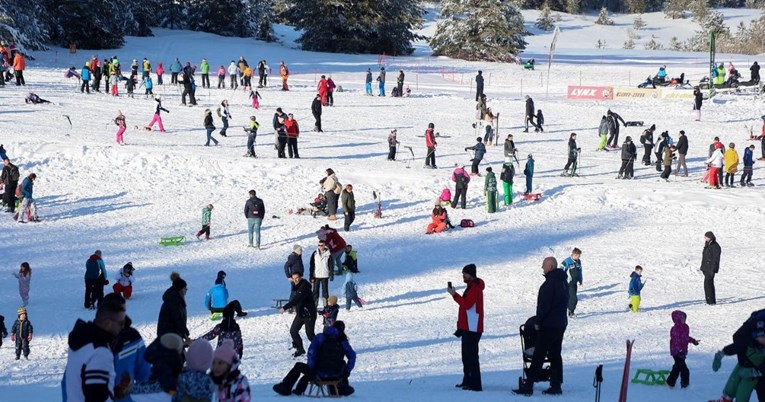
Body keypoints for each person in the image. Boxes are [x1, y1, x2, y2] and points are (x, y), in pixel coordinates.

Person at [514, 257, 568, 396]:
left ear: (550, 266)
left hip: (549, 324)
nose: (542, 268)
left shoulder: (550, 283)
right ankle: (556, 384)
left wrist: (538, 322)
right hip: (560, 323)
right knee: (555, 354)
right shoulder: (563, 281)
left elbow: (544, 305)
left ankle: (529, 385)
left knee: (539, 354)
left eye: (544, 265)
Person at [273, 321, 356, 396]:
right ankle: (343, 387)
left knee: (298, 366)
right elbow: (352, 357)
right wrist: (346, 372)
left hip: (319, 373)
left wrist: (311, 369)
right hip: (337, 375)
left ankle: (285, 387)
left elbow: (312, 353)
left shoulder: (320, 337)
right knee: (343, 363)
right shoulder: (342, 341)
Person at [64, 300, 126, 402]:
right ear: (108, 323)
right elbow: (96, 395)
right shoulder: (100, 351)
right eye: (120, 323)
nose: (122, 327)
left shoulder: (83, 340)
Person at [446, 264, 484, 392]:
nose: (463, 276)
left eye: (465, 274)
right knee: (466, 356)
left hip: (472, 327)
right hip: (468, 327)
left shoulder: (475, 288)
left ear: (471, 274)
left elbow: (467, 305)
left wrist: (454, 295)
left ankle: (475, 384)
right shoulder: (471, 287)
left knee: (471, 357)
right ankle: (468, 380)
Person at [714, 310, 765, 401]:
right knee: (732, 382)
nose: (762, 339)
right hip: (744, 365)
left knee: (743, 390)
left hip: (755, 372)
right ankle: (725, 399)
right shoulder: (750, 340)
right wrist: (721, 353)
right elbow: (738, 345)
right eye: (760, 336)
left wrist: (757, 371)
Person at [280, 270, 317, 357]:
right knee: (293, 331)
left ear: (301, 277)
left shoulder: (304, 287)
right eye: (294, 278)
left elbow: (296, 300)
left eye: (297, 278)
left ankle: (322, 348)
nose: (295, 280)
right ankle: (300, 349)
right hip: (301, 313)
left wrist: (284, 307)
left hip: (309, 314)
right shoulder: (297, 286)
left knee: (310, 335)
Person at [666, 310, 699, 388]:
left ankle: (670, 382)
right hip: (676, 352)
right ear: (677, 319)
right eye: (682, 318)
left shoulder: (686, 327)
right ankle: (685, 384)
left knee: (677, 368)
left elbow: (686, 338)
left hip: (683, 352)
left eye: (684, 318)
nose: (684, 320)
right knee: (684, 370)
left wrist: (693, 341)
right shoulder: (675, 329)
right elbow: (676, 341)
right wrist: (679, 351)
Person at [157, 272, 191, 344]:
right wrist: (185, 334)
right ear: (181, 289)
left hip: (171, 335)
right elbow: (178, 319)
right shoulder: (174, 301)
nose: (186, 290)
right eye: (185, 288)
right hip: (168, 336)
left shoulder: (176, 299)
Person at [310, 241, 334, 308]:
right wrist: (311, 276)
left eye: (321, 245)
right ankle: (314, 305)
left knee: (325, 292)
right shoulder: (315, 253)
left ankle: (325, 305)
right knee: (315, 292)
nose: (320, 246)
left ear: (324, 245)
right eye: (319, 245)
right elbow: (312, 265)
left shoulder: (328, 254)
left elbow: (331, 265)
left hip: (325, 275)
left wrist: (331, 274)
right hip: (316, 275)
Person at [560, 249, 582, 318]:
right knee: (574, 299)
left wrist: (580, 279)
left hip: (574, 282)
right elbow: (561, 272)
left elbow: (580, 271)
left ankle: (568, 310)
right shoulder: (566, 262)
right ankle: (571, 311)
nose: (579, 257)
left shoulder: (578, 261)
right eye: (578, 256)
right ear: (574, 255)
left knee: (570, 298)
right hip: (568, 283)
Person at [700, 231, 721, 305]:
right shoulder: (707, 244)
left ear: (709, 237)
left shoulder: (715, 246)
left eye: (706, 237)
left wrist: (713, 269)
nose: (704, 238)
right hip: (706, 268)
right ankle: (710, 300)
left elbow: (716, 259)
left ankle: (710, 301)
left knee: (708, 284)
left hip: (710, 269)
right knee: (708, 284)